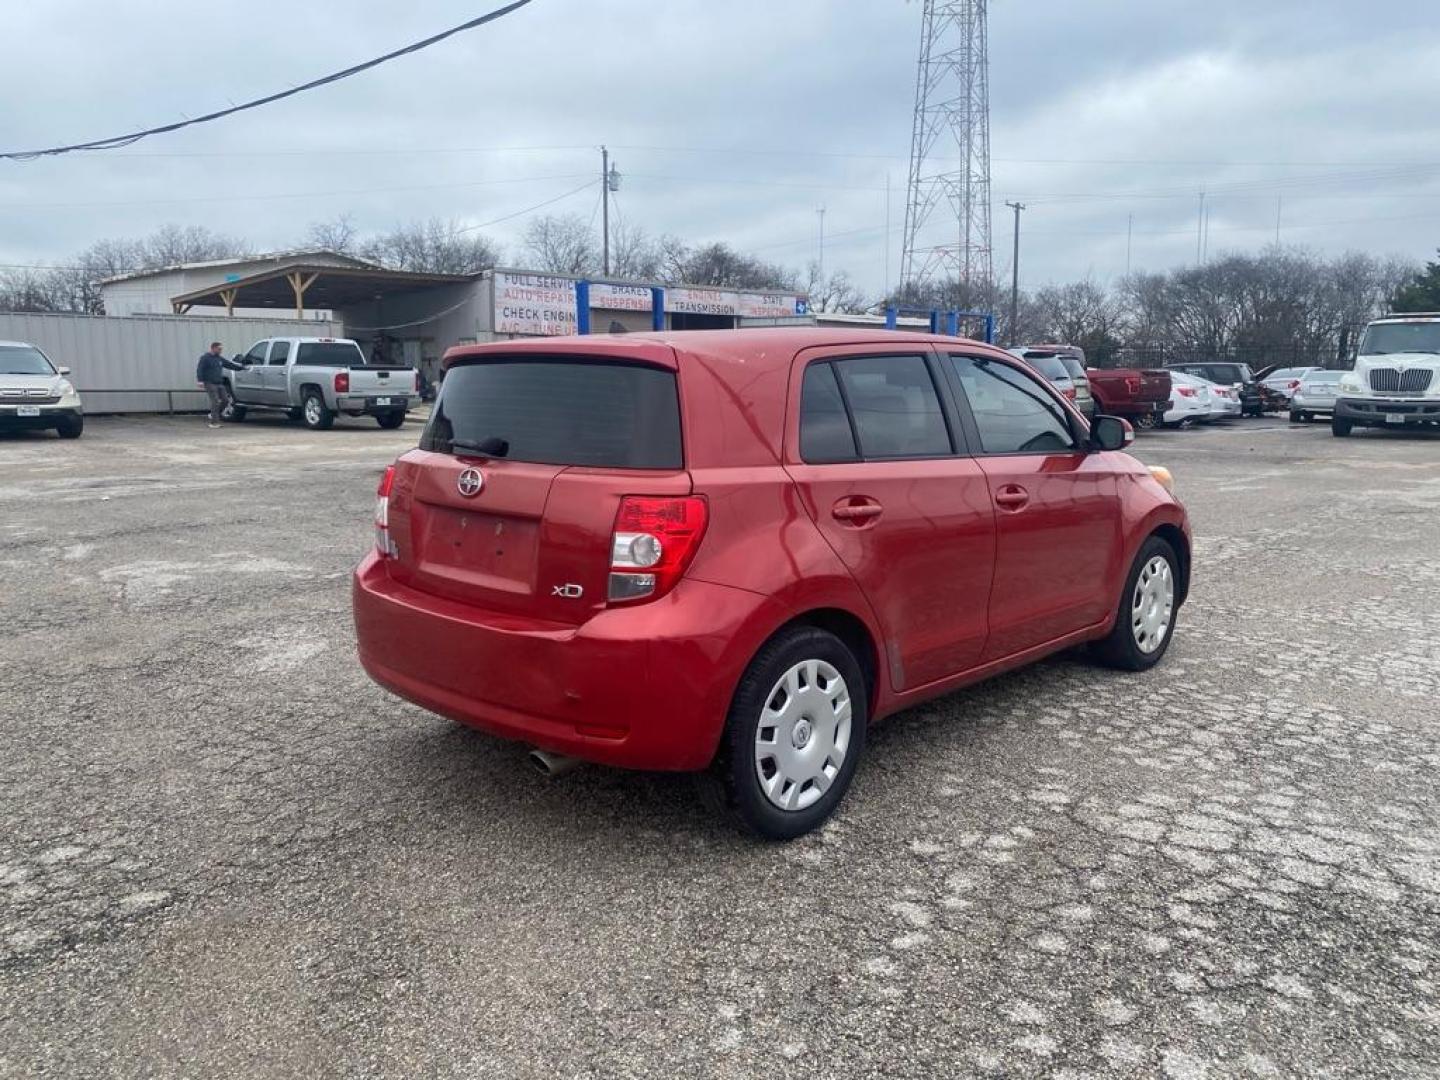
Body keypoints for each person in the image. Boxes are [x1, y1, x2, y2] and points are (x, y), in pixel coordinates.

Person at [196, 342, 244, 428]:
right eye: (219, 349)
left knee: (226, 400)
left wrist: (241, 368)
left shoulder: (219, 358)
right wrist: (200, 381)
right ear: (213, 348)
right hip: (209, 383)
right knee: (215, 401)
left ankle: (213, 414)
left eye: (221, 349)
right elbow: (200, 369)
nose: (220, 351)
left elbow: (229, 365)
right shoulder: (205, 358)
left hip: (219, 383)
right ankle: (214, 423)